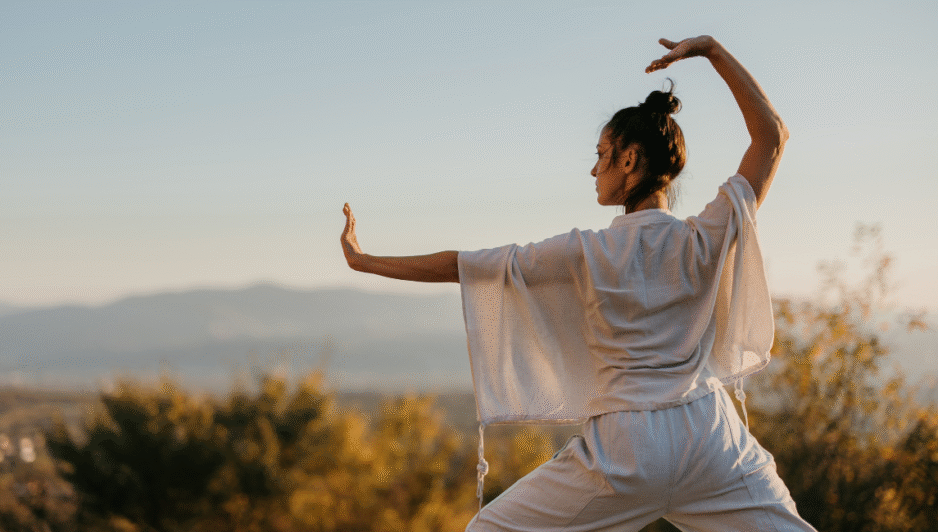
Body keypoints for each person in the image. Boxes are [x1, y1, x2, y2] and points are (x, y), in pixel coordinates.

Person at [341, 36, 816, 531]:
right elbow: (772, 136)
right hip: (710, 438)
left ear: (629, 159)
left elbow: (466, 265)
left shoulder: (583, 252)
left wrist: (366, 260)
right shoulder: (706, 237)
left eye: (602, 153)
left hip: (627, 451)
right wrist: (713, 51)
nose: (594, 168)